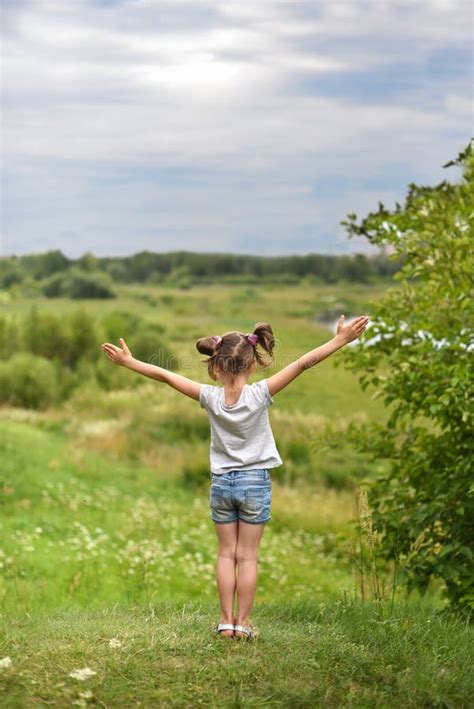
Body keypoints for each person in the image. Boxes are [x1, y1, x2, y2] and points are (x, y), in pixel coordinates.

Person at [101, 313, 370, 640]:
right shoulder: (259, 394)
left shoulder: (209, 397)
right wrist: (340, 340)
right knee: (248, 557)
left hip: (222, 484)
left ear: (216, 366)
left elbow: (166, 376)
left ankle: (226, 622)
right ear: (252, 365)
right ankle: (243, 624)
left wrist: (130, 363)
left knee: (226, 555)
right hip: (254, 482)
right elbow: (302, 364)